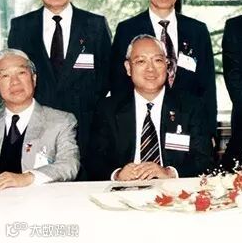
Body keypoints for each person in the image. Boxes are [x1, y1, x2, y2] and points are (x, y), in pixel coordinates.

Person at [7, 0, 111, 167]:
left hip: (86, 130)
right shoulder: (21, 27)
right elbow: (15, 77)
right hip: (37, 131)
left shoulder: (95, 25)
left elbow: (107, 78)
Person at [110, 0, 217, 135]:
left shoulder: (197, 30)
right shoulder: (127, 29)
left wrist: (210, 132)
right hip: (142, 126)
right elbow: (118, 84)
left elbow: (207, 87)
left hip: (189, 126)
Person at [89, 35, 213, 181]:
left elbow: (204, 160)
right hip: (125, 188)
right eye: (141, 61)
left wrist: (170, 173)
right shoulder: (107, 109)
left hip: (172, 188)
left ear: (167, 66)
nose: (150, 69)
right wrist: (117, 174)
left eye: (158, 60)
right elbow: (93, 160)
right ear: (128, 68)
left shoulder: (191, 107)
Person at [0, 49, 79, 189]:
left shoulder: (61, 121)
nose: (15, 82)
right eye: (5, 75)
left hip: (40, 200)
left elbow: (69, 165)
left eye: (21, 73)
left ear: (34, 79)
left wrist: (27, 178)